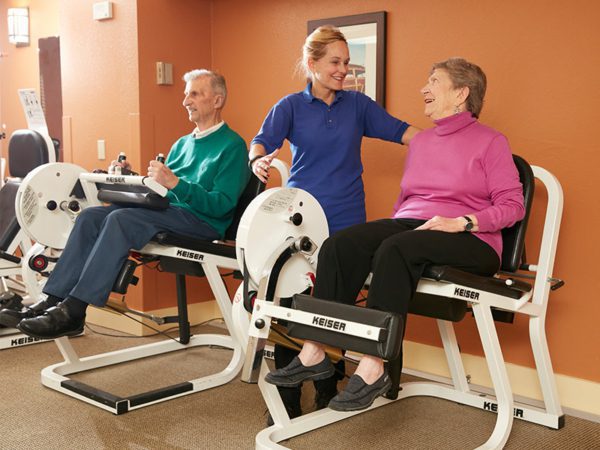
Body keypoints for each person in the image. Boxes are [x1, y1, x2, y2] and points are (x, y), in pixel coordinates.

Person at [264, 57, 526, 412]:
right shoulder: (423, 142)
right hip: (415, 228)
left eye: (434, 82)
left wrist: (462, 222)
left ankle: (374, 366)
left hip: (471, 239)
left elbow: (513, 206)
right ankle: (315, 350)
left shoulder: (491, 142)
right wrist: (385, 231)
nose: (424, 89)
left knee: (397, 248)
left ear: (461, 93)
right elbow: (406, 202)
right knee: (342, 245)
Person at [249, 25, 419, 420]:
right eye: (335, 62)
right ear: (312, 64)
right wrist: (257, 159)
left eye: (347, 62)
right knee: (293, 301)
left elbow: (403, 132)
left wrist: (452, 142)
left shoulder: (357, 106)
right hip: (301, 217)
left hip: (346, 217)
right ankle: (289, 398)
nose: (344, 70)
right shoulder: (290, 106)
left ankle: (328, 389)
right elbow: (262, 141)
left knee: (336, 300)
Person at [2, 69, 250, 338]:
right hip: (168, 212)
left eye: (195, 94)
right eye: (186, 94)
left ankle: (74, 311)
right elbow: (161, 189)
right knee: (90, 217)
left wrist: (176, 184)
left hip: (202, 221)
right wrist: (130, 176)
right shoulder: (182, 144)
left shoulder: (232, 146)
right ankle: (52, 300)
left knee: (121, 219)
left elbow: (221, 205)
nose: (186, 101)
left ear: (217, 100)